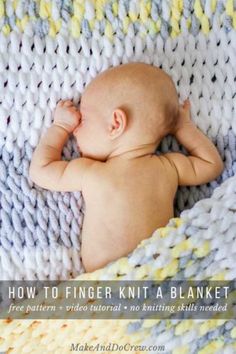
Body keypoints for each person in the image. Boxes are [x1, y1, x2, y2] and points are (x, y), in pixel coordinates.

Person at [29, 63, 224, 273]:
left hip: (120, 282)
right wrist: (183, 127)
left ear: (115, 124)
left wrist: (60, 127)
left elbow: (41, 170)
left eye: (83, 119)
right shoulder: (168, 167)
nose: (75, 129)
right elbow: (211, 164)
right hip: (152, 275)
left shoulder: (92, 172)